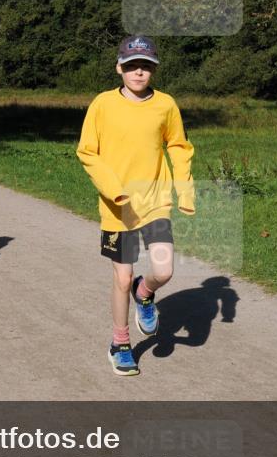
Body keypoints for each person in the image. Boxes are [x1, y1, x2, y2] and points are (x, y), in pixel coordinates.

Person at [76, 35, 195, 376]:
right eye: (131, 66)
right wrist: (113, 191)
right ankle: (120, 343)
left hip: (155, 200)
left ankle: (147, 294)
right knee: (123, 278)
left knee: (163, 271)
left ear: (153, 70)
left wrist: (184, 190)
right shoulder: (102, 104)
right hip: (118, 208)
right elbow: (87, 152)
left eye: (145, 66)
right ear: (119, 68)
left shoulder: (166, 105)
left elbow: (178, 146)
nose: (138, 73)